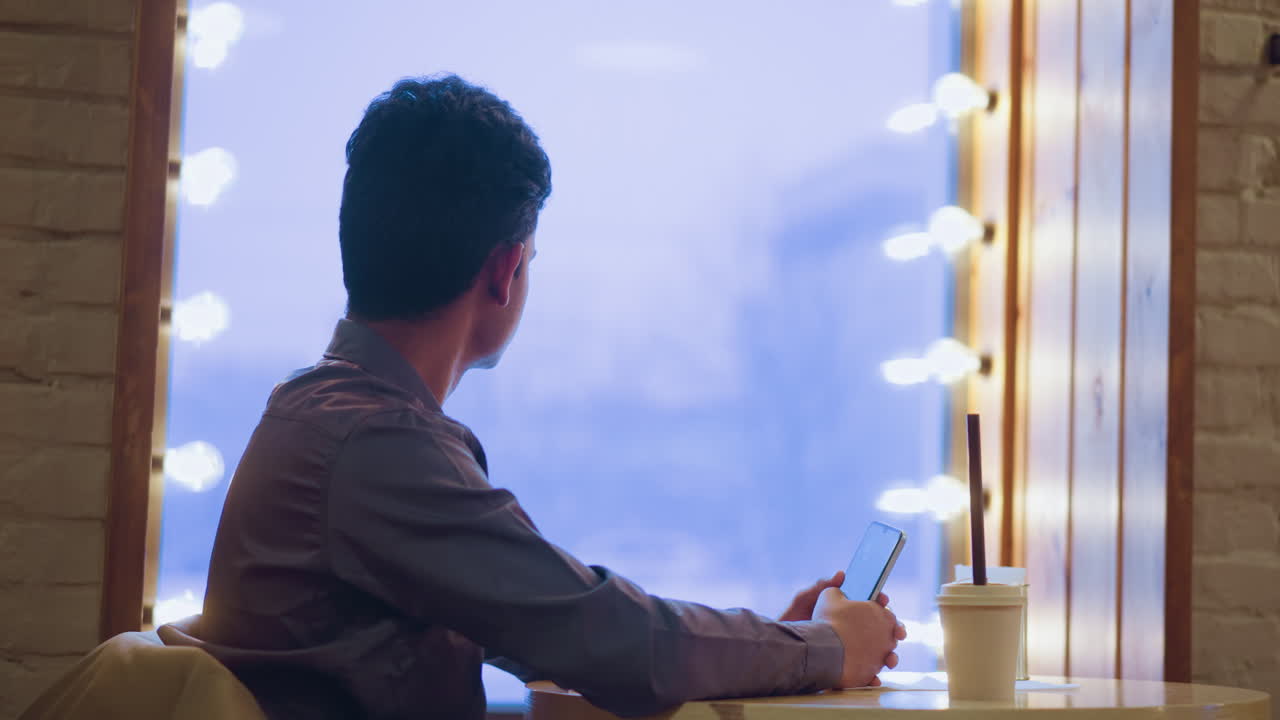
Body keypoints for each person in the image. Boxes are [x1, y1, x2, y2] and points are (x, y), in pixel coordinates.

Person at [160, 74, 905, 720]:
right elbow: (615, 640)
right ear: (506, 271)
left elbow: (564, 628)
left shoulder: (321, 413)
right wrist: (828, 648)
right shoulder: (378, 447)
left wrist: (781, 647)